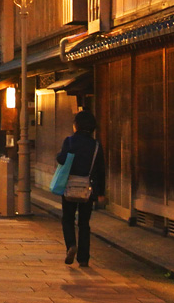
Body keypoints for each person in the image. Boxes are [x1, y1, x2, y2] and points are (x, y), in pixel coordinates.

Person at [56, 109, 105, 267]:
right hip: (88, 188)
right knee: (84, 223)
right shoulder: (96, 146)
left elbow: (62, 159)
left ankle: (71, 245)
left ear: (76, 125)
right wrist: (101, 192)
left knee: (68, 218)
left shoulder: (69, 141)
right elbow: (101, 169)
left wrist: (60, 155)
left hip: (69, 186)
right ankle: (83, 259)